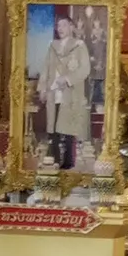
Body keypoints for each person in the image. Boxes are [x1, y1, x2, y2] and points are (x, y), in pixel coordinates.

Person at [37, 15, 90, 168]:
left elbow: (84, 69)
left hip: (70, 93)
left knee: (68, 129)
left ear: (71, 27)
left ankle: (68, 162)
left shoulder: (79, 46)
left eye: (64, 25)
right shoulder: (52, 46)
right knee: (52, 128)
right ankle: (53, 158)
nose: (60, 29)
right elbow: (46, 68)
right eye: (58, 26)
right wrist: (42, 88)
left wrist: (67, 79)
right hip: (54, 92)